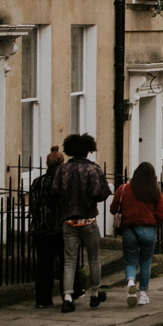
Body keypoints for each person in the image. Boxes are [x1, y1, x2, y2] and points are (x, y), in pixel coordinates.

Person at [54, 133, 111, 313]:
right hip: (88, 221)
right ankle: (95, 294)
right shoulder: (93, 169)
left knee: (70, 261)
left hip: (69, 221)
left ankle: (68, 298)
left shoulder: (62, 170)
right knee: (94, 258)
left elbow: (54, 192)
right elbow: (102, 193)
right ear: (88, 150)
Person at [111, 163, 163, 307]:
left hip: (130, 231)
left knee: (130, 261)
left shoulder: (123, 189)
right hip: (148, 231)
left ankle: (130, 281)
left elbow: (113, 208)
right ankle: (143, 294)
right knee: (145, 262)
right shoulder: (155, 192)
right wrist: (152, 219)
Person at [29, 147, 65, 308]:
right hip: (58, 229)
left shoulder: (37, 182)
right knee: (65, 264)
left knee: (43, 266)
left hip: (40, 229)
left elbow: (32, 206)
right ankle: (67, 295)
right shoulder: (62, 182)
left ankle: (42, 299)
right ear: (61, 163)